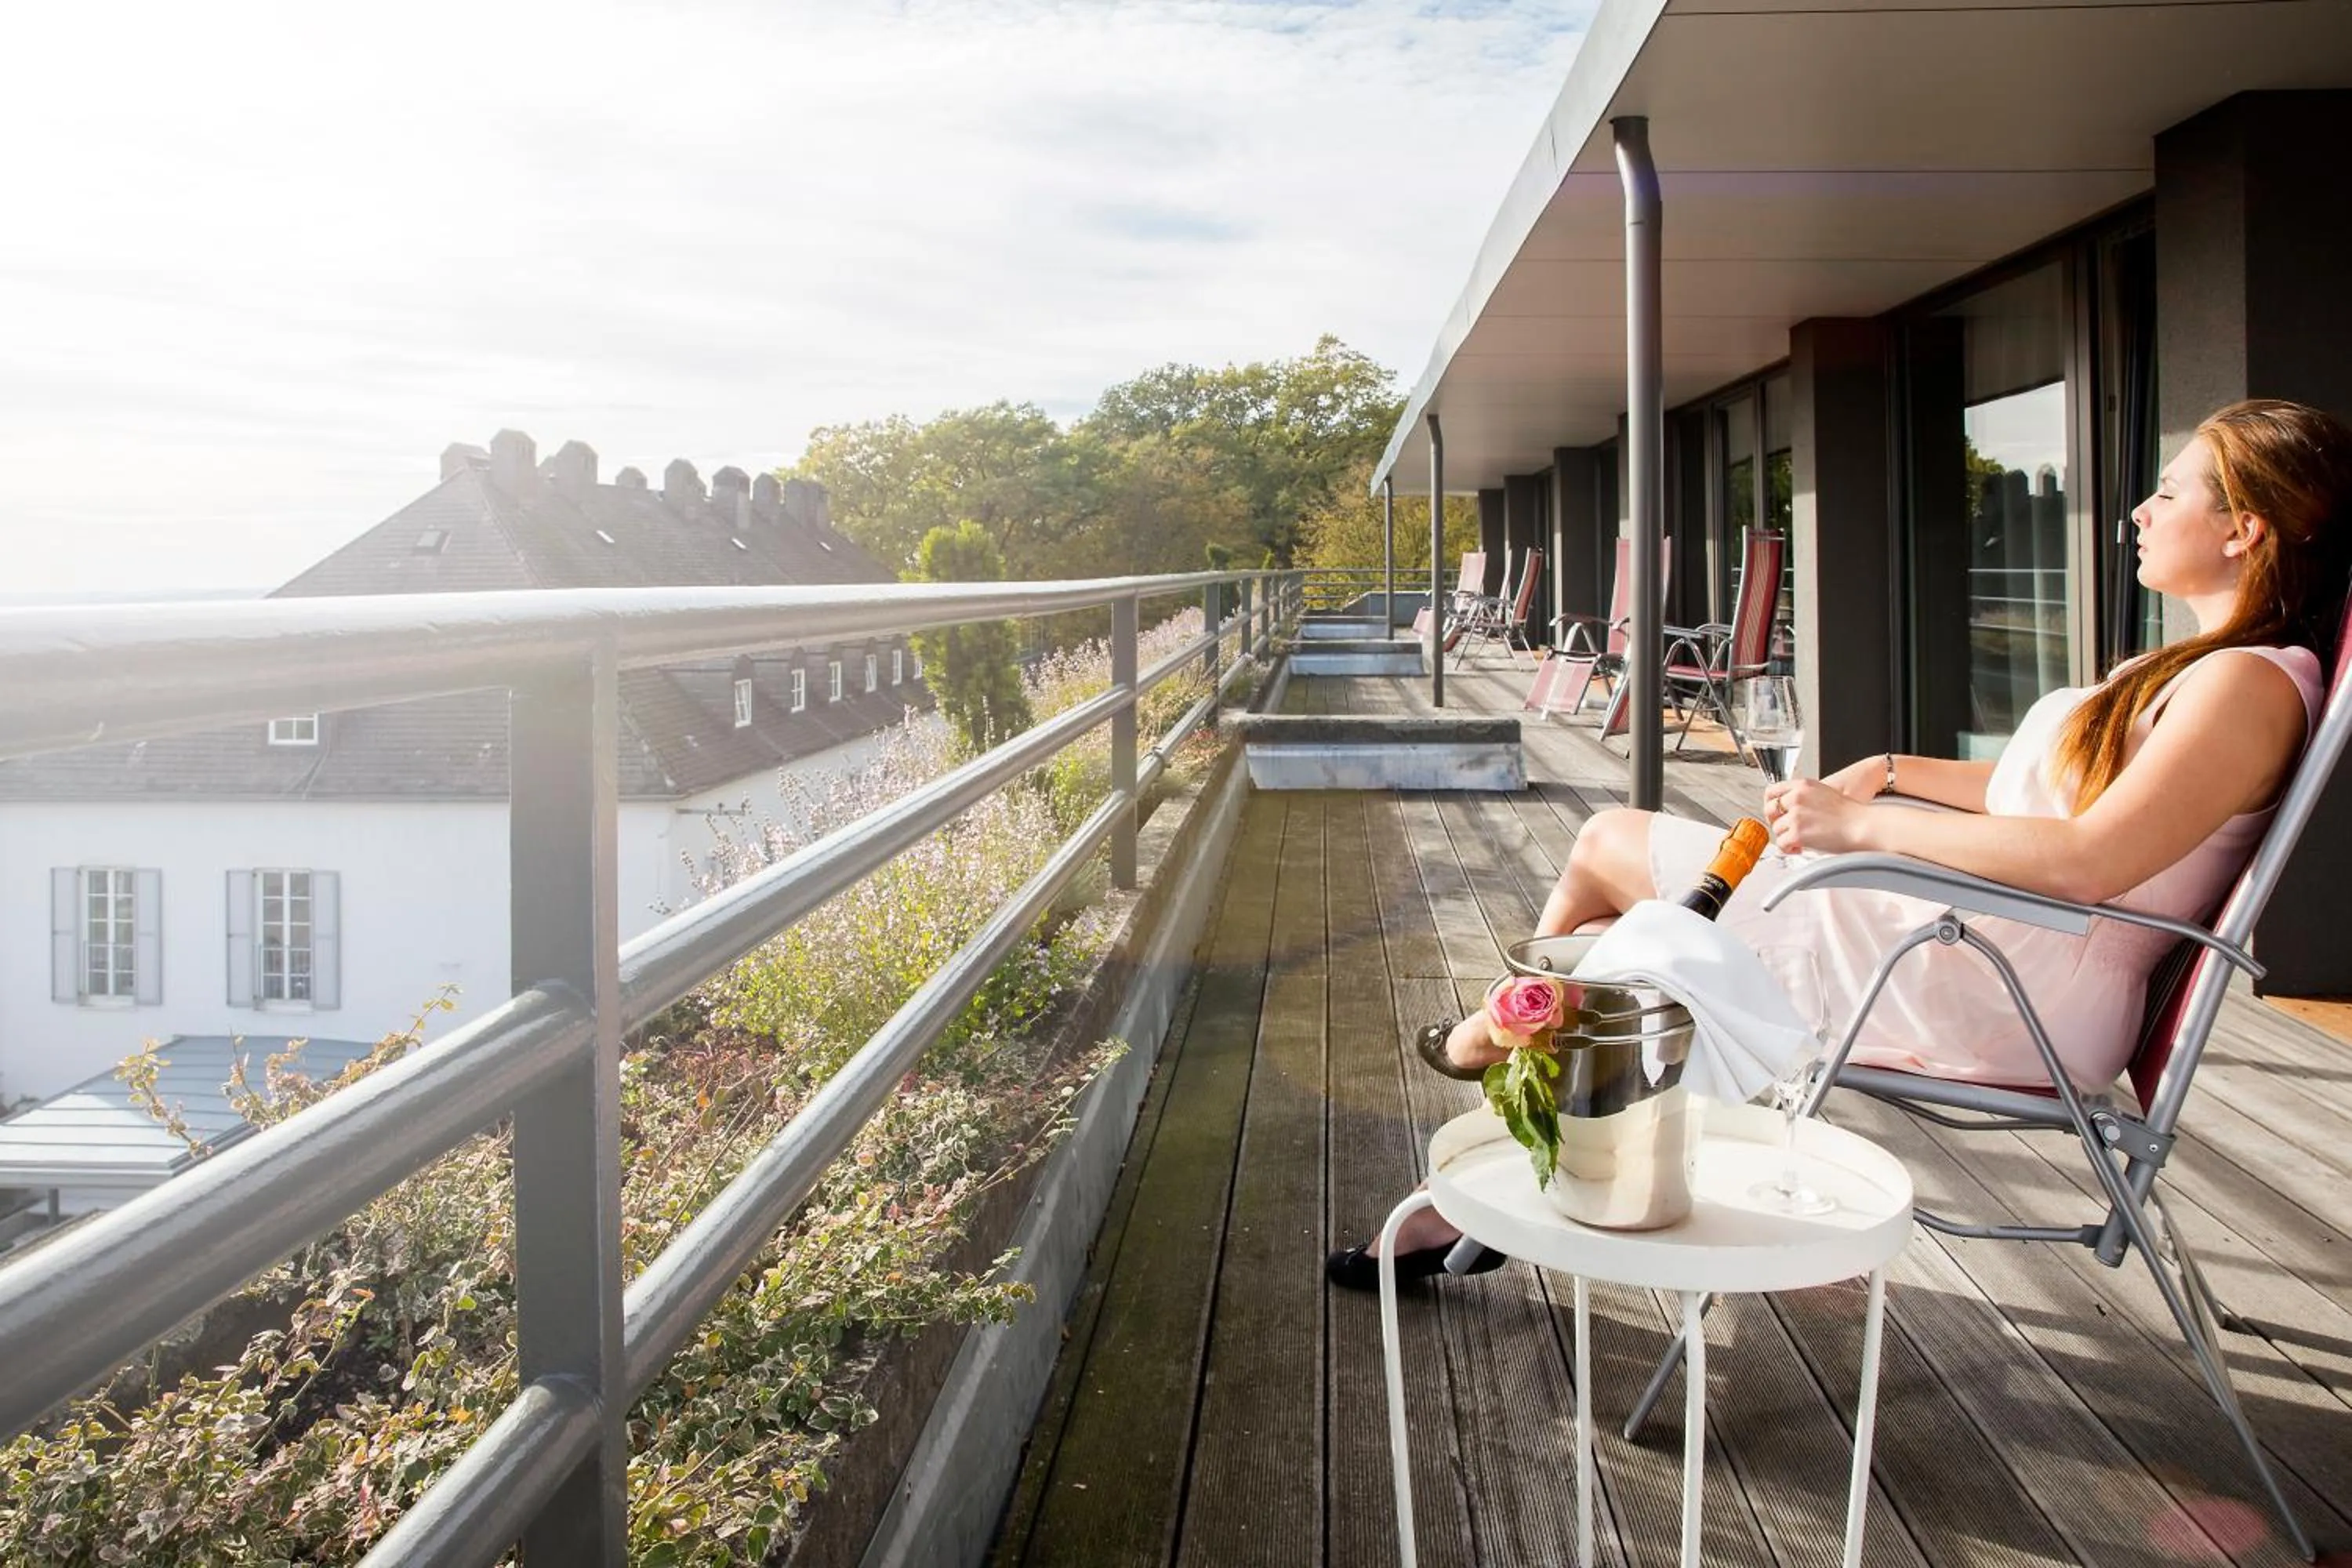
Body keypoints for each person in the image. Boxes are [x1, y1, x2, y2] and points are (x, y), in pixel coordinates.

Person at [1328, 397, 2352, 1290]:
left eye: (2170, 493)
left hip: (1995, 978)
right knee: (1631, 919)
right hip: (1973, 938)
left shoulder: (2245, 689)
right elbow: (2029, 794)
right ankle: (1503, 1151)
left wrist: (1861, 828)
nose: (2138, 510)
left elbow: (2091, 858)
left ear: (2245, 530)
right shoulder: (2204, 671)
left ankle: (1501, 1073)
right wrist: (1889, 770)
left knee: (1610, 857)